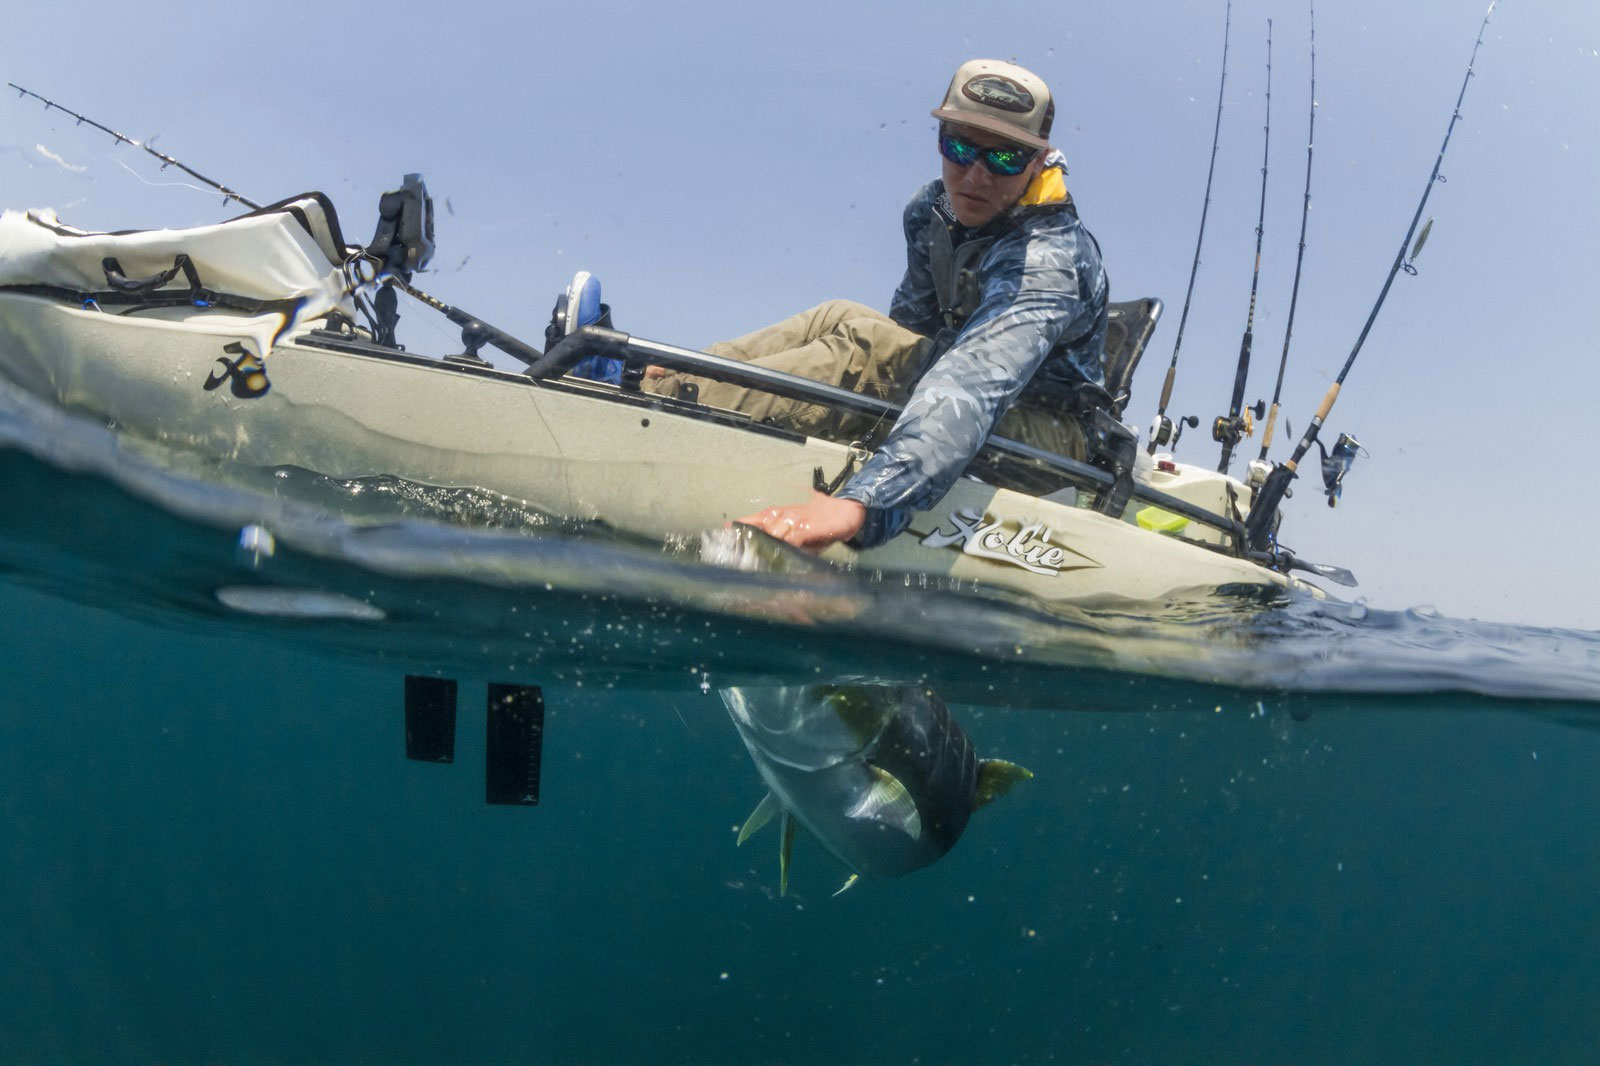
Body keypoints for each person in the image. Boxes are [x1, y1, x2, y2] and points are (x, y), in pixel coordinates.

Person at [581, 59, 1110, 551]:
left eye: (1004, 158)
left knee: (869, 354)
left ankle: (640, 408)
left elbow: (973, 381)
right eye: (959, 148)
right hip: (963, 406)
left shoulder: (1049, 260)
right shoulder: (932, 212)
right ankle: (647, 375)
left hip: (1053, 442)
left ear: (1039, 161)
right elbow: (910, 333)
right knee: (840, 317)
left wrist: (866, 503)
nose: (975, 176)